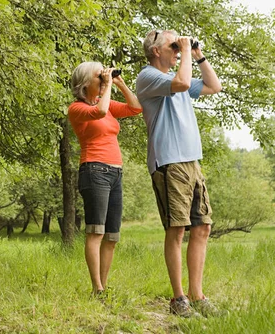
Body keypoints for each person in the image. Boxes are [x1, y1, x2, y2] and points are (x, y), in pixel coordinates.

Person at [136, 30, 222, 317]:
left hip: (191, 161)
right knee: (177, 230)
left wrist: (198, 55)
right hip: (169, 162)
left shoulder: (178, 75)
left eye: (179, 45)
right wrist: (185, 51)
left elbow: (214, 86)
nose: (177, 49)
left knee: (202, 227)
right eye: (172, 46)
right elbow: (182, 83)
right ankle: (178, 299)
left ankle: (197, 296)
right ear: (156, 50)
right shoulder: (148, 76)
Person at [68, 62, 142, 296]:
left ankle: (104, 286)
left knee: (111, 235)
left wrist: (119, 83)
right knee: (96, 231)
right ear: (84, 83)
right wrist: (108, 83)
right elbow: (98, 112)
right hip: (94, 170)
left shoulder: (108, 106)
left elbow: (136, 108)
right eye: (98, 76)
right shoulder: (76, 108)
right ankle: (96, 288)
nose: (103, 79)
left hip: (115, 172)